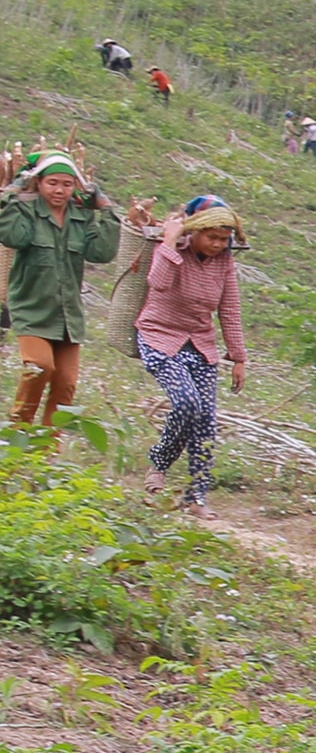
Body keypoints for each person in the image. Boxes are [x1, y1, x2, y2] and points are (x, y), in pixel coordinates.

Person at [135, 197, 248, 508]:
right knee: (186, 403)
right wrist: (171, 240)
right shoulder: (172, 249)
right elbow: (157, 283)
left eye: (224, 239)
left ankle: (196, 498)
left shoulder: (224, 261)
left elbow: (229, 308)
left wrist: (238, 357)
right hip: (159, 337)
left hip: (200, 345)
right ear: (195, 231)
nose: (217, 244)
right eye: (211, 237)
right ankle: (159, 465)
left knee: (205, 423)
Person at [2, 153, 126, 429]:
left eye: (67, 184)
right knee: (39, 367)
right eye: (52, 183)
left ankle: (47, 451)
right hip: (32, 310)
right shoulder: (28, 212)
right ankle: (17, 433)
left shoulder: (80, 217)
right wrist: (11, 194)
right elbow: (12, 236)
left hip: (69, 316)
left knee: (66, 384)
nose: (59, 190)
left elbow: (101, 252)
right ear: (39, 183)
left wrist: (105, 208)